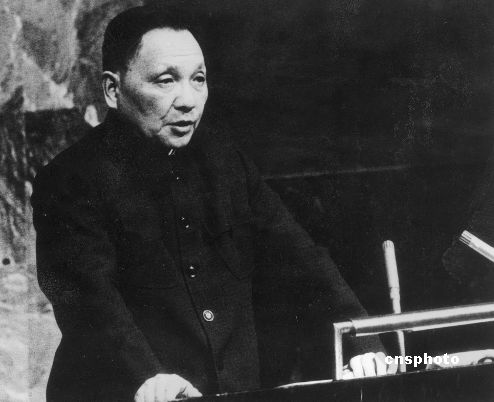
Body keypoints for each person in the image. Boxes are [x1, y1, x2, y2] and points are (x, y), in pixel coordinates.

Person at [31, 6, 388, 402]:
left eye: (198, 79)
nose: (188, 100)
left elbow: (303, 260)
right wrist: (151, 379)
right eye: (166, 80)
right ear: (113, 90)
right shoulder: (68, 180)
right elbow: (90, 303)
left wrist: (363, 341)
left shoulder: (226, 162)